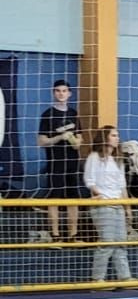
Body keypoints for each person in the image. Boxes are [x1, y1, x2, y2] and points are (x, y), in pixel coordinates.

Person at [83, 126, 134, 285]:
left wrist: (127, 208)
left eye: (117, 135)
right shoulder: (94, 157)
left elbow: (122, 186)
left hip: (118, 205)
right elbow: (89, 180)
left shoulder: (118, 160)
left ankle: (125, 277)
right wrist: (100, 195)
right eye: (113, 135)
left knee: (121, 242)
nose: (117, 138)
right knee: (107, 242)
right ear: (105, 137)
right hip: (103, 205)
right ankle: (97, 278)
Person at [37, 79, 84, 242]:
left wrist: (76, 142)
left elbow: (80, 139)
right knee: (55, 197)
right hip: (55, 162)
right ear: (53, 93)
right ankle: (55, 235)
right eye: (58, 90)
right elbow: (41, 141)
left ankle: (73, 235)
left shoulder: (73, 114)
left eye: (64, 91)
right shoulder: (48, 114)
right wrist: (59, 137)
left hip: (72, 162)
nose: (61, 93)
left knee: (73, 198)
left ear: (69, 94)